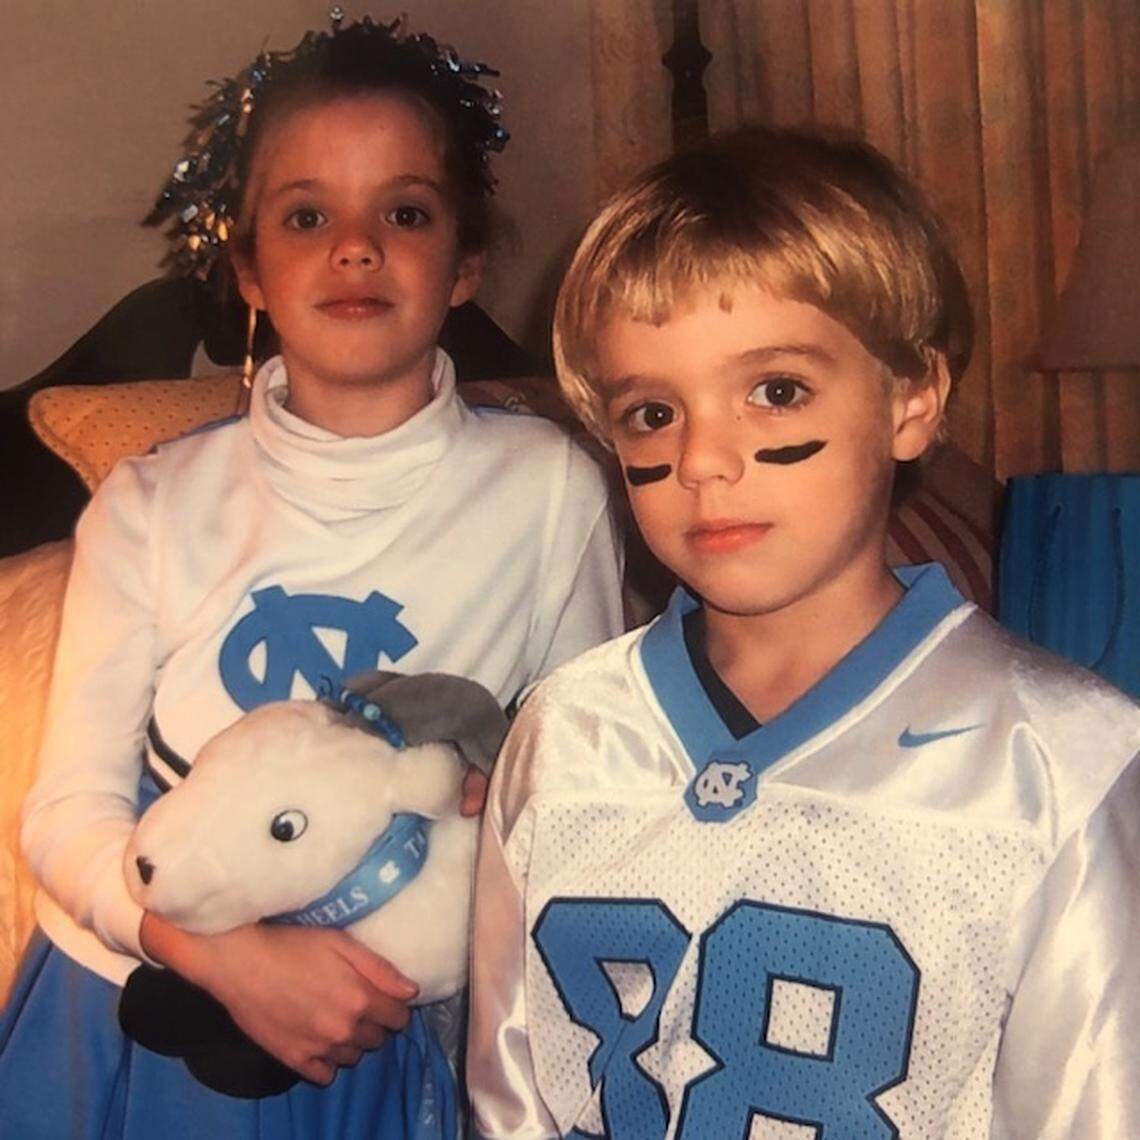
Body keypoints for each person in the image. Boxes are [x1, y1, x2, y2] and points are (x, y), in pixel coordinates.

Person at [0, 15, 623, 1139]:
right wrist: (219, 957)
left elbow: (577, 775)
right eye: (305, 215)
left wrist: (501, 794)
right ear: (246, 267)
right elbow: (67, 811)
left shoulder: (549, 491)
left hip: (379, 1014)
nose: (355, 246)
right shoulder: (149, 505)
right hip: (137, 1000)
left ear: (467, 259)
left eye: (405, 211)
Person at [467, 126, 1139, 1139]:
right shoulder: (564, 736)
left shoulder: (1060, 760)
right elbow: (509, 1090)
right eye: (652, 412)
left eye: (774, 391)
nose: (702, 460)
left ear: (913, 398)